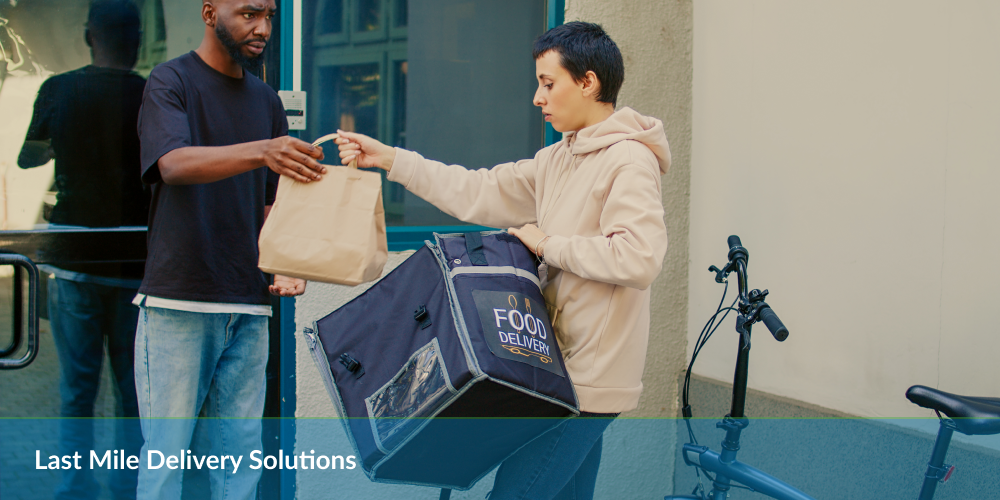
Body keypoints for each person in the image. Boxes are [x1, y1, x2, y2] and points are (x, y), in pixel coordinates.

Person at [338, 21, 671, 500]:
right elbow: (477, 189)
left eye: (548, 83)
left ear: (588, 82)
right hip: (554, 370)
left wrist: (545, 243)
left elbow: (638, 258)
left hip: (589, 381)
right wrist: (391, 159)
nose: (538, 97)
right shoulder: (557, 158)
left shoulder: (629, 161)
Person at [132, 0, 325, 498]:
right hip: (179, 300)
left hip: (247, 302)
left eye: (269, 17)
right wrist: (263, 149)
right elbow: (171, 163)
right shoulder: (169, 81)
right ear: (209, 11)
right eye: (248, 14)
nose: (262, 29)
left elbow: (269, 206)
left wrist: (287, 261)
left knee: (240, 463)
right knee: (165, 460)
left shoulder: (266, 101)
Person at [18, 2, 148, 498]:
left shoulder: (58, 89)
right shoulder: (149, 93)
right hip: (133, 263)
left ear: (89, 35)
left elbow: (28, 156)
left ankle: (73, 484)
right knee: (132, 391)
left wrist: (62, 144)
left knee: (77, 389)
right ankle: (130, 482)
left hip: (72, 259)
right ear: (135, 39)